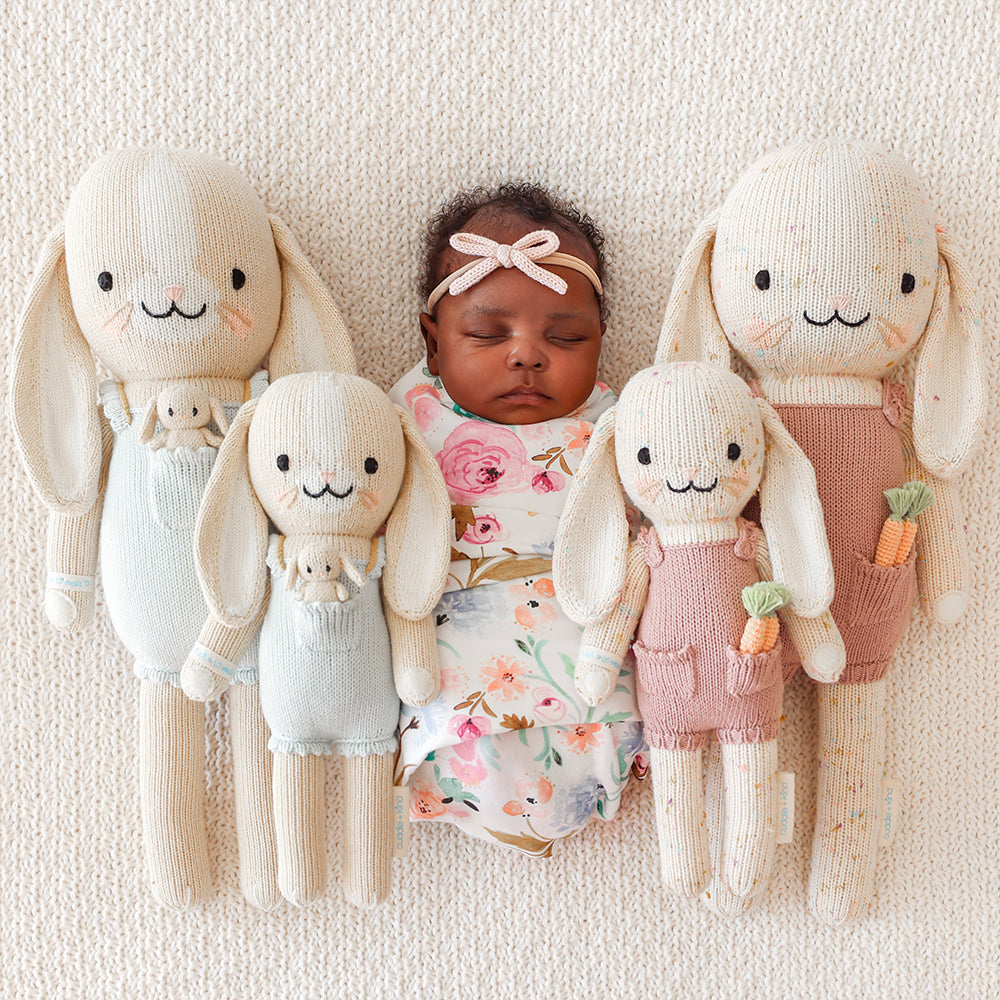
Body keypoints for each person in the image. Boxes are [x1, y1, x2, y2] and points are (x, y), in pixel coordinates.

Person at [390, 184, 644, 855]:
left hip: (592, 680)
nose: (528, 354)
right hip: (455, 691)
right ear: (433, 342)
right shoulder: (408, 418)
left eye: (565, 336)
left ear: (601, 343)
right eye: (485, 332)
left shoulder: (623, 423)